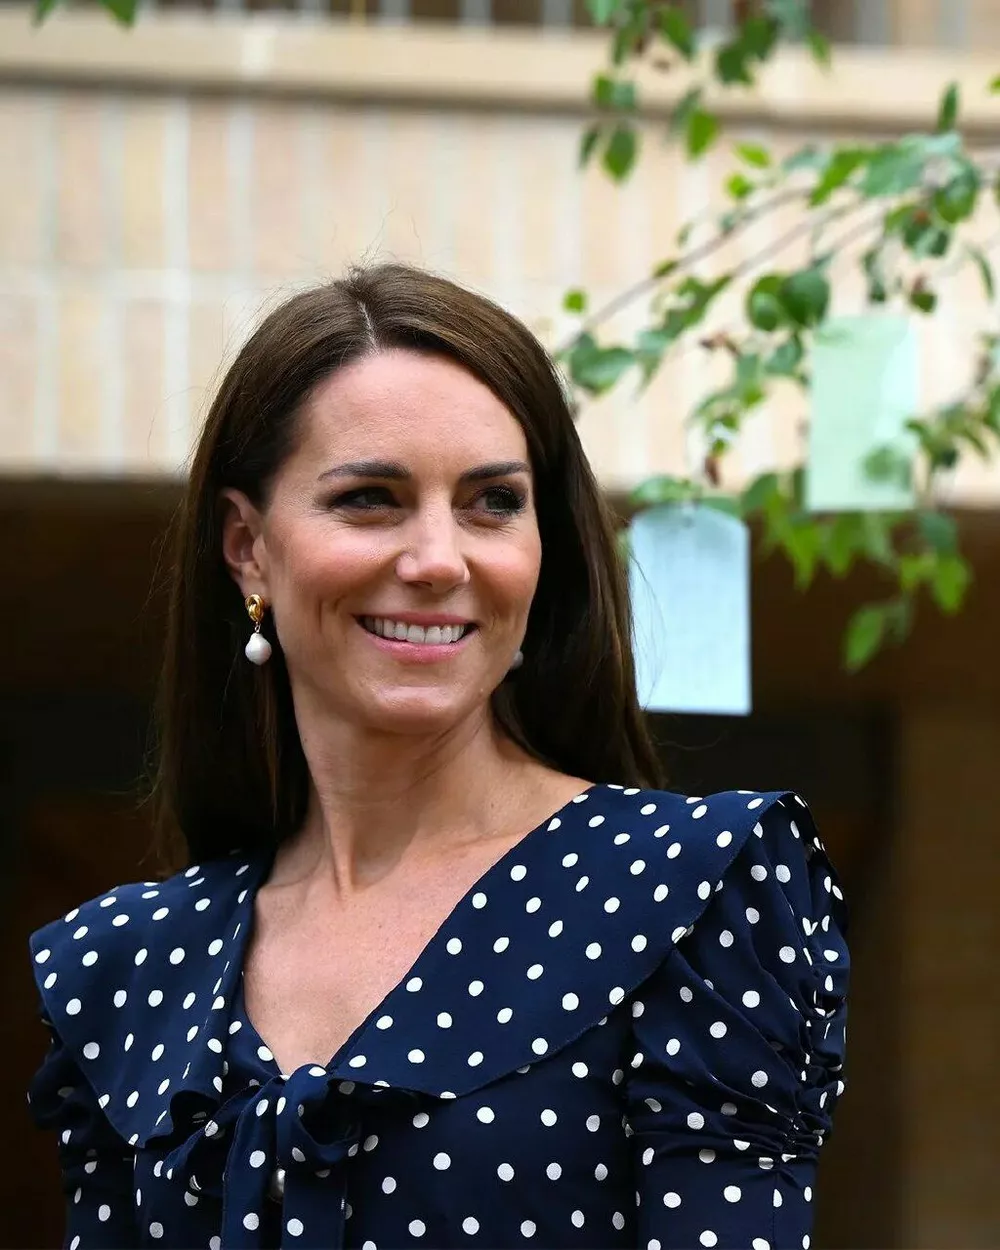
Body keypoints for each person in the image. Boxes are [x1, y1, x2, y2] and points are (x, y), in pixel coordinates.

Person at [27, 263, 848, 1250]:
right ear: (248, 545)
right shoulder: (131, 962)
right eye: (370, 498)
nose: (438, 560)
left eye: (491, 502)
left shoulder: (689, 893)